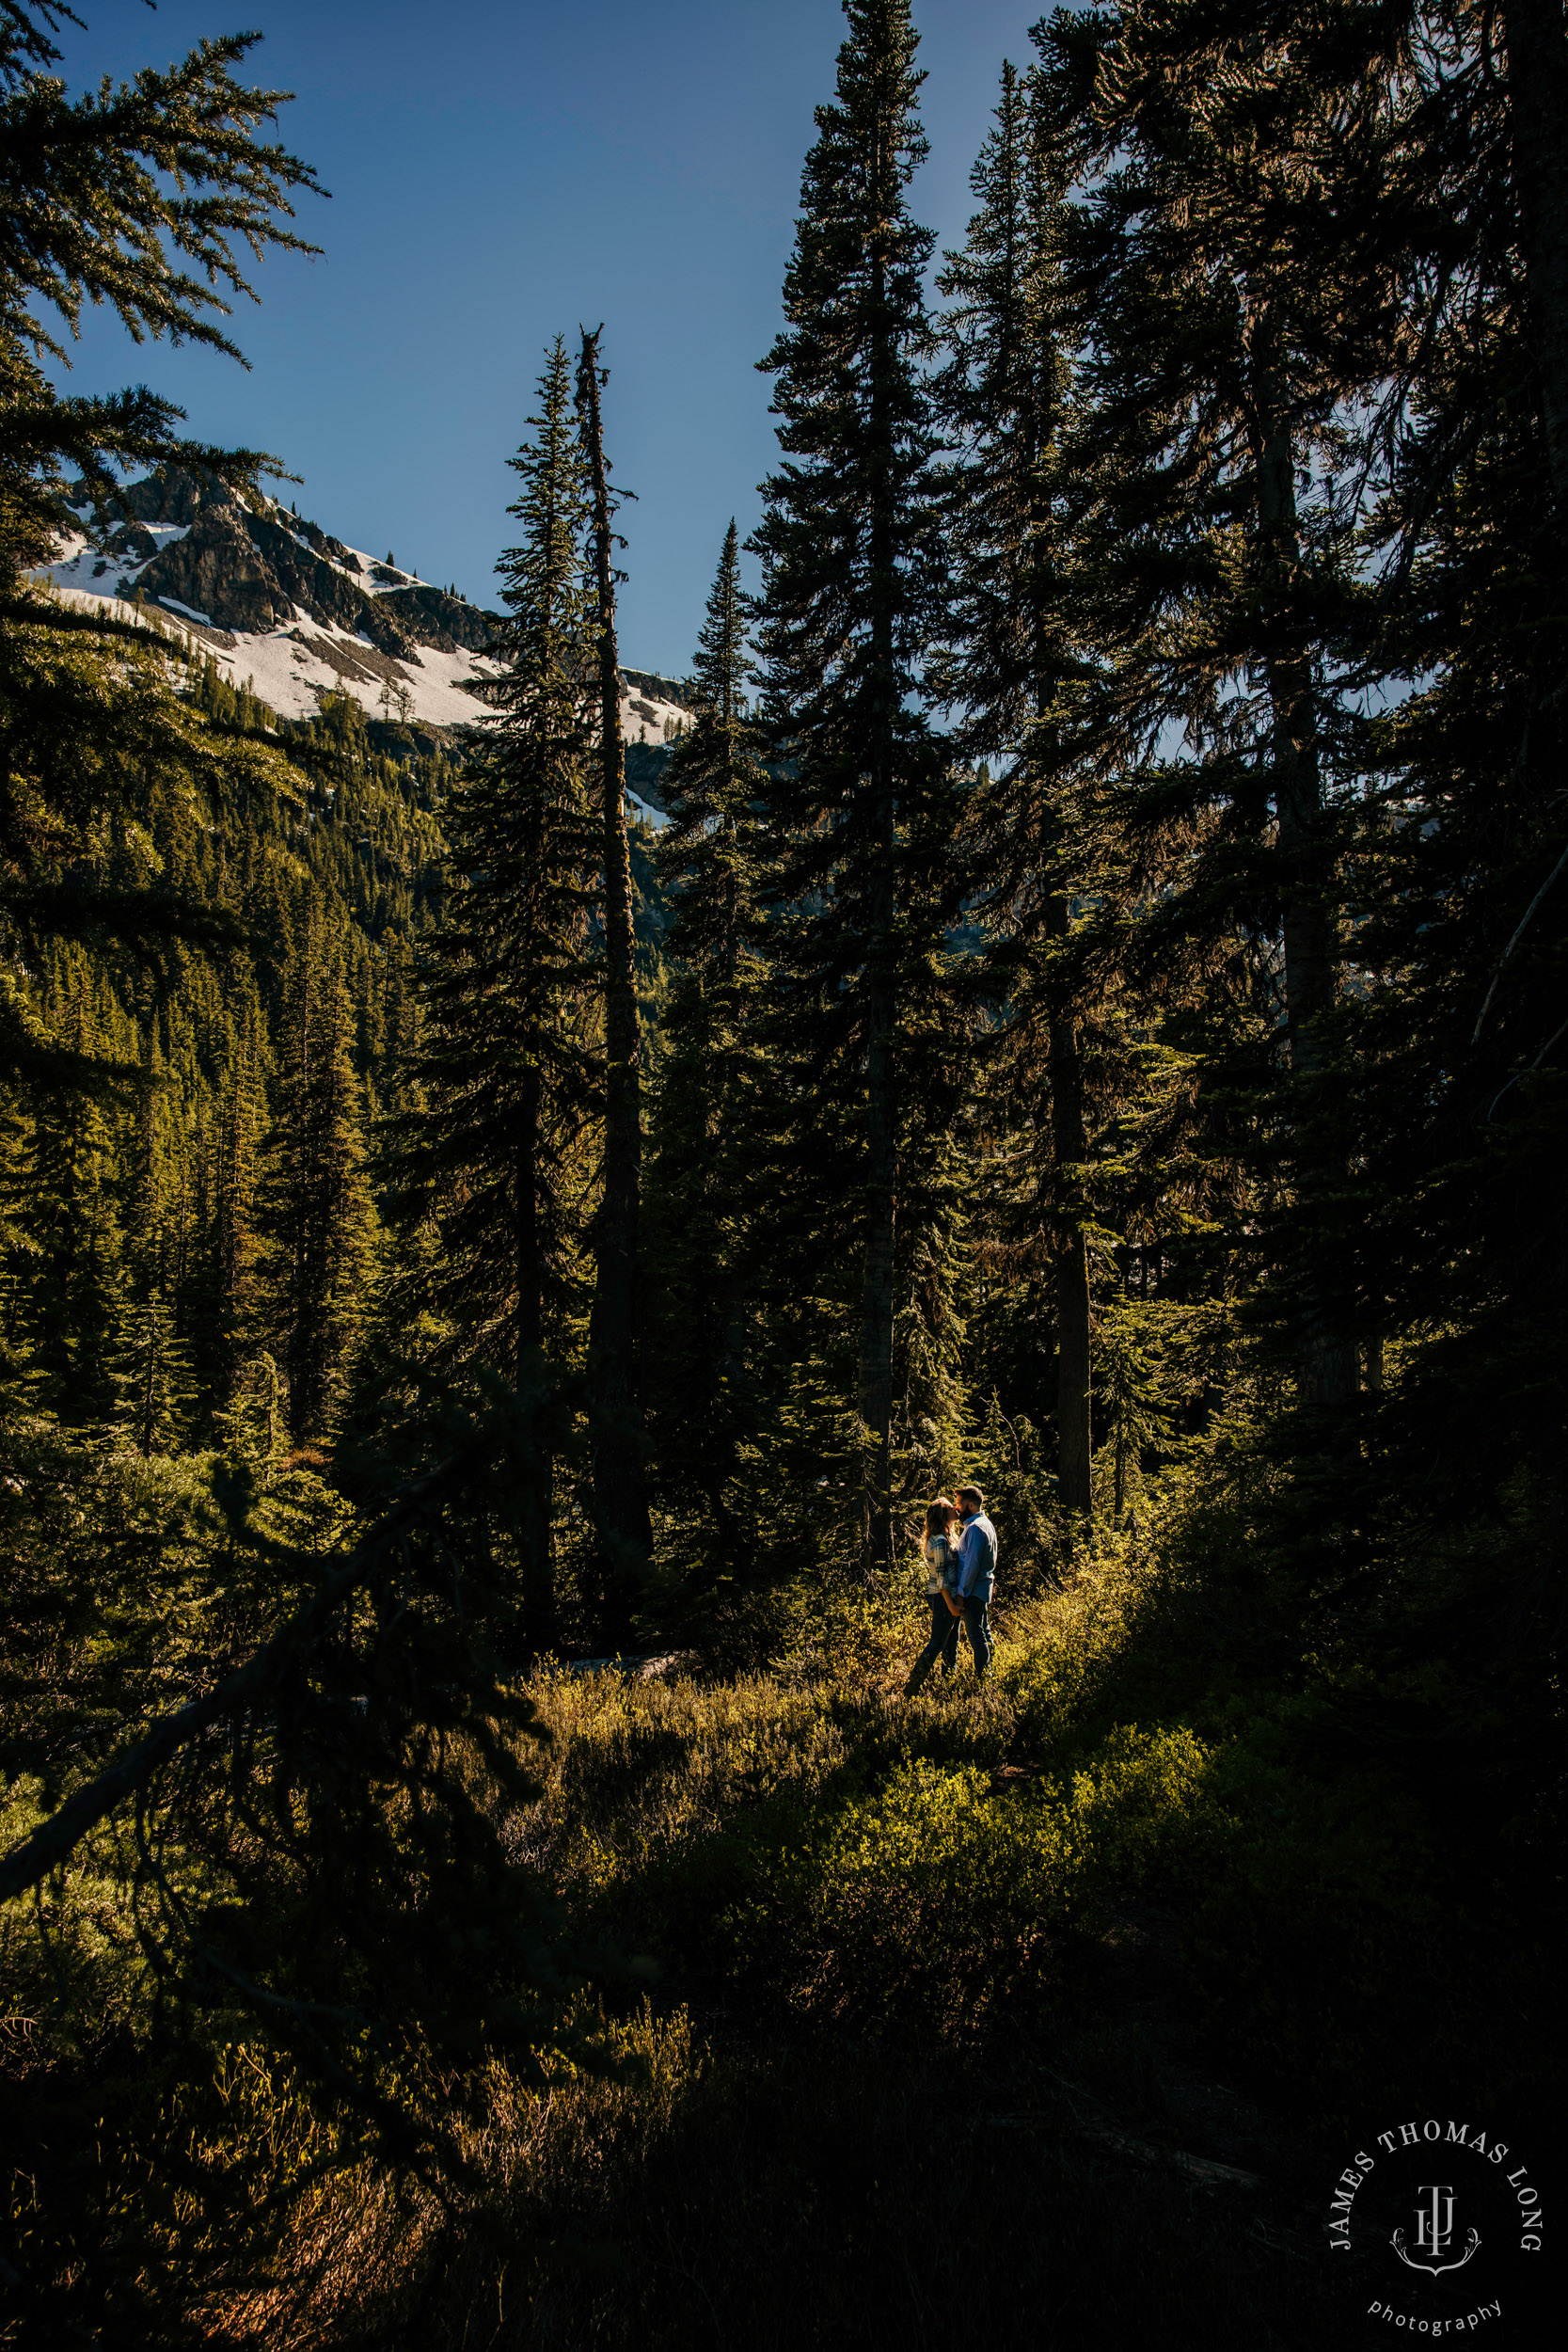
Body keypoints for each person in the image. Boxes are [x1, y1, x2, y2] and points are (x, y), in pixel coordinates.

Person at [903, 1497, 963, 1693]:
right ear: (942, 1515)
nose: (955, 1508)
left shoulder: (948, 1537)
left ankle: (948, 1685)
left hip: (949, 1597)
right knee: (937, 1643)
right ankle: (912, 1688)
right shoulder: (939, 1541)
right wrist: (951, 1605)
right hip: (942, 1597)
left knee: (951, 1643)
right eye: (949, 1507)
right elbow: (941, 1578)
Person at [953, 1484, 998, 1679]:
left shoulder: (975, 1529)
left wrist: (962, 1594)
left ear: (971, 1506)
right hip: (982, 1588)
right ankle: (991, 1669)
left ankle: (983, 1677)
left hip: (973, 1591)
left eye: (960, 1504)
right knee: (984, 1630)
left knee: (976, 1635)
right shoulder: (985, 1524)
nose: (957, 1508)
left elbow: (971, 1566)